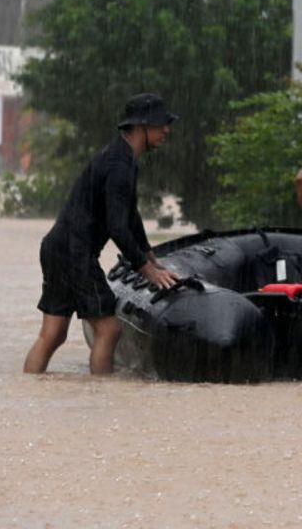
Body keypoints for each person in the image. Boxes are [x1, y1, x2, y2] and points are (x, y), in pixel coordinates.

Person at [23, 93, 182, 375]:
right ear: (140, 126)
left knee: (53, 334)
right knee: (109, 330)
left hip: (57, 246)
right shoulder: (119, 165)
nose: (166, 130)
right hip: (75, 251)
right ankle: (102, 398)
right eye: (160, 124)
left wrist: (148, 254)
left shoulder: (120, 157)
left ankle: (28, 391)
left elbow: (130, 216)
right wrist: (146, 270)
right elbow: (117, 226)